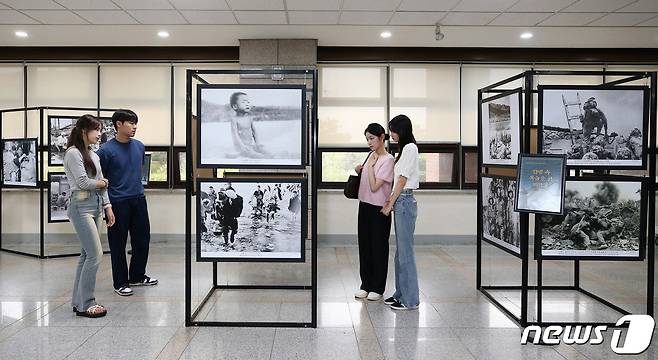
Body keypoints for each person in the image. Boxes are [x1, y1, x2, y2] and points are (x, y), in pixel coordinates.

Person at [97, 109, 158, 297]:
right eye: (131, 123)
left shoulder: (139, 146)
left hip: (138, 199)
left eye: (135, 123)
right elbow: (100, 180)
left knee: (142, 240)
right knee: (118, 244)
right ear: (118, 124)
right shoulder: (105, 151)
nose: (134, 127)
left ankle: (137, 276)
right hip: (116, 203)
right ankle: (120, 282)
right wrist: (106, 207)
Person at [63, 114, 115, 318]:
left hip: (95, 206)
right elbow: (84, 183)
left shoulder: (94, 155)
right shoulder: (73, 153)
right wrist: (102, 184)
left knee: (86, 255)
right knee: (95, 254)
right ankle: (87, 303)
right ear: (84, 131)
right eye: (97, 130)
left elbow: (102, 183)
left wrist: (108, 206)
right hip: (80, 206)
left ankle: (78, 302)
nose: (100, 133)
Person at [382, 114, 420, 310]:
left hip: (404, 200)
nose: (391, 134)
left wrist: (389, 203)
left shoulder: (410, 148)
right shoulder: (405, 149)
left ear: (401, 130)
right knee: (400, 253)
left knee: (406, 253)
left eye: (393, 130)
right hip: (401, 201)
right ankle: (400, 293)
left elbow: (402, 180)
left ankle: (410, 299)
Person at [353, 123, 394, 302]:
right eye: (367, 139)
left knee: (378, 248)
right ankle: (365, 284)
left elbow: (375, 186)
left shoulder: (388, 160)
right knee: (365, 246)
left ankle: (377, 287)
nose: (369, 142)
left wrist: (369, 168)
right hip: (364, 206)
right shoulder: (371, 155)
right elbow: (365, 182)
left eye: (372, 138)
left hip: (379, 210)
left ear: (382, 137)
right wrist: (360, 169)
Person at [228, 92, 269, 158]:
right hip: (241, 147)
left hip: (249, 146)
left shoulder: (249, 118)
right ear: (235, 106)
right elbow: (235, 135)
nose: (247, 104)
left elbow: (254, 132)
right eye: (244, 102)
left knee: (266, 152)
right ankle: (238, 154)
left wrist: (257, 143)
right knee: (260, 156)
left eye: (248, 102)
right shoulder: (234, 119)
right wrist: (242, 146)